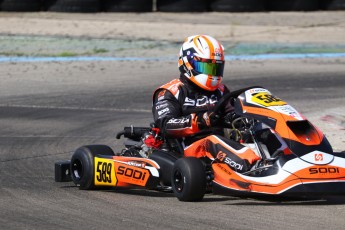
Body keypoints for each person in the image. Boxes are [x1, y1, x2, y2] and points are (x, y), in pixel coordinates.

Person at [152, 35, 260, 173]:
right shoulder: (169, 92)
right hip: (188, 150)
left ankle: (287, 159)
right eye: (206, 67)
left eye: (215, 68)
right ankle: (254, 168)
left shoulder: (221, 91)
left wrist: (240, 120)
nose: (212, 73)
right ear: (188, 63)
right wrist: (201, 120)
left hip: (222, 147)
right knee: (212, 141)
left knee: (260, 129)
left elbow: (232, 114)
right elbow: (166, 125)